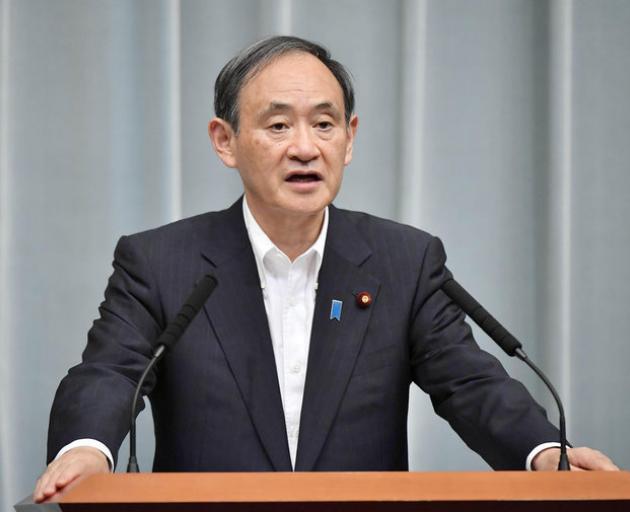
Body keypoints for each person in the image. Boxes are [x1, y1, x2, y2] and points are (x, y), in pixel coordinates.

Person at [34, 35, 617, 503]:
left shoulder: (403, 262)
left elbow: (470, 382)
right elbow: (109, 372)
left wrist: (546, 453)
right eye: (279, 125)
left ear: (349, 138)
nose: (306, 147)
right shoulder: (162, 263)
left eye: (324, 123)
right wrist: (85, 450)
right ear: (225, 141)